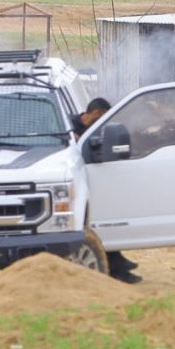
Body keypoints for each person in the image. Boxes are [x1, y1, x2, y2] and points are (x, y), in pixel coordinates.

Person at [71, 96, 141, 283]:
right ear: (93, 114)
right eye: (101, 117)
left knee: (105, 223)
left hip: (96, 181)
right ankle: (119, 269)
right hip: (76, 186)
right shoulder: (70, 126)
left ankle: (120, 265)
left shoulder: (94, 128)